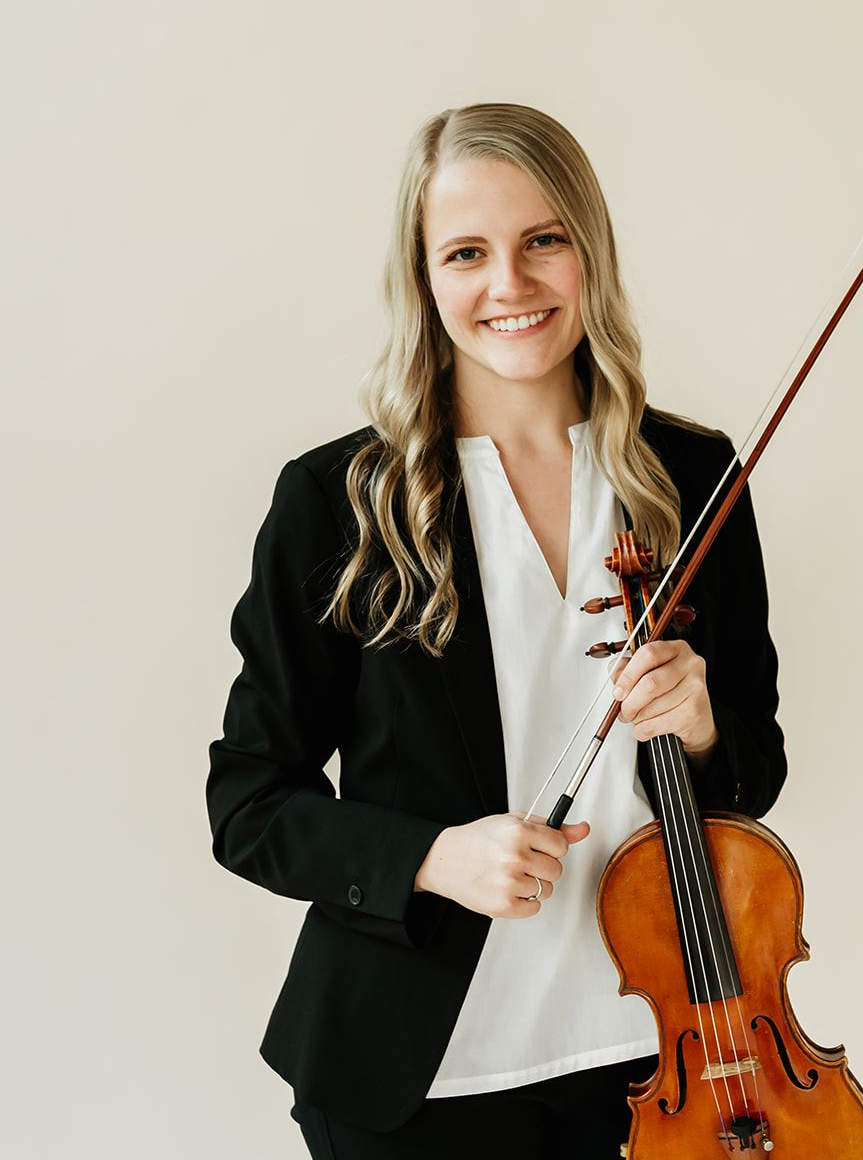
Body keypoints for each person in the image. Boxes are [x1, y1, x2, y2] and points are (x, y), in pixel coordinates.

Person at [206, 102, 787, 1160]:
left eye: (542, 241)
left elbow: (751, 774)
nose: (509, 285)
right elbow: (249, 799)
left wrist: (704, 725)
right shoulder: (337, 500)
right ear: (423, 278)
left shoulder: (690, 479)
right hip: (420, 1073)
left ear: (588, 254)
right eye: (466, 252)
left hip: (664, 1054)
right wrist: (430, 855)